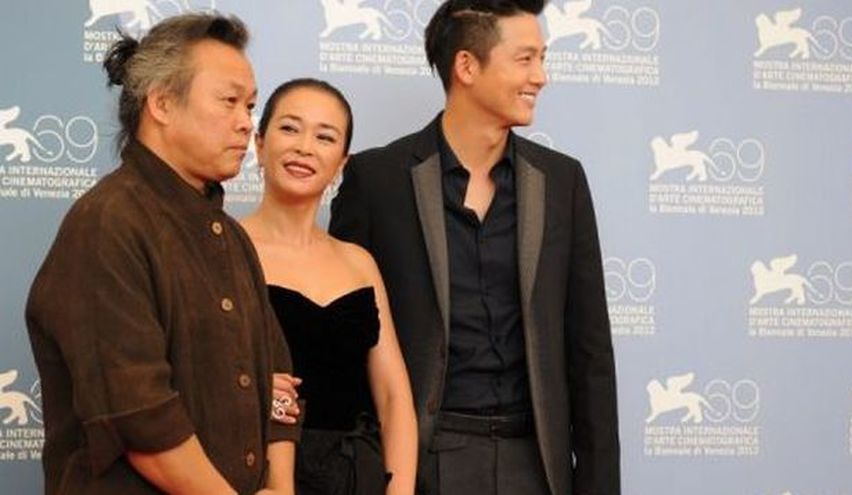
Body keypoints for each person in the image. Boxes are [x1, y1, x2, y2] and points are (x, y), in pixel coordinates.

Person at [330, 1, 620, 494]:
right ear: (466, 66)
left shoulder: (561, 181)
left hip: (537, 463)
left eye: (542, 59)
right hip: (423, 462)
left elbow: (590, 352)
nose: (541, 77)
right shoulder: (378, 180)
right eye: (525, 59)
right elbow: (345, 338)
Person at [25, 14, 299, 495]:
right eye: (230, 101)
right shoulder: (108, 222)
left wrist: (280, 486)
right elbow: (140, 420)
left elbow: (279, 385)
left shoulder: (232, 239)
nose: (245, 122)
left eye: (251, 105)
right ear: (162, 103)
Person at [240, 79, 418, 495]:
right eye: (290, 128)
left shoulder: (359, 263)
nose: (305, 147)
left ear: (341, 163)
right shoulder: (226, 248)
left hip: (355, 476)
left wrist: (400, 489)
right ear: (259, 144)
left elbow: (393, 398)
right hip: (256, 474)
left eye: (325, 137)